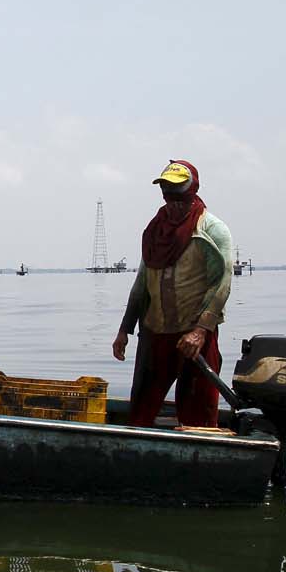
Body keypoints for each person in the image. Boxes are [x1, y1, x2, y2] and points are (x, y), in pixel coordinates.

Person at [111, 159, 233, 428]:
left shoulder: (212, 230)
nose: (175, 203)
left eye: (180, 196)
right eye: (169, 196)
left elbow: (223, 283)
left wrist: (200, 330)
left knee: (197, 415)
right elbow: (142, 284)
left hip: (193, 337)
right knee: (140, 410)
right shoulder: (155, 232)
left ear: (192, 193)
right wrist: (124, 330)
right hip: (155, 334)